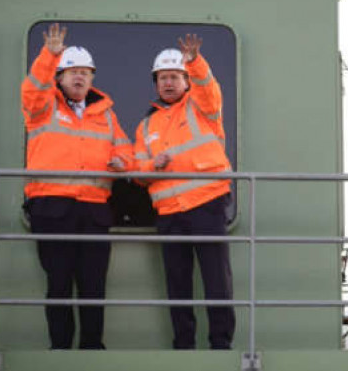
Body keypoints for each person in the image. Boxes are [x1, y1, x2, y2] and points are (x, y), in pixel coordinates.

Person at [21, 23, 132, 349]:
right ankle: (60, 348)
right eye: (72, 72)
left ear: (92, 78)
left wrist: (123, 162)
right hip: (53, 207)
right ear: (60, 77)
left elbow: (124, 147)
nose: (79, 77)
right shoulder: (43, 107)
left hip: (94, 209)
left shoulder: (106, 114)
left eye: (85, 72)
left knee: (93, 284)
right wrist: (49, 55)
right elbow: (31, 90)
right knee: (58, 283)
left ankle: (92, 347)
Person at [134, 34, 235, 350]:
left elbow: (209, 88)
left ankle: (220, 344)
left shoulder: (202, 107)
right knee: (178, 285)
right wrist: (153, 166)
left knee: (216, 280)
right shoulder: (145, 127)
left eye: (175, 77)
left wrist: (194, 61)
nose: (168, 83)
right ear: (155, 83)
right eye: (163, 78)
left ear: (185, 81)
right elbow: (137, 173)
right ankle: (184, 346)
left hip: (207, 205)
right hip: (169, 214)